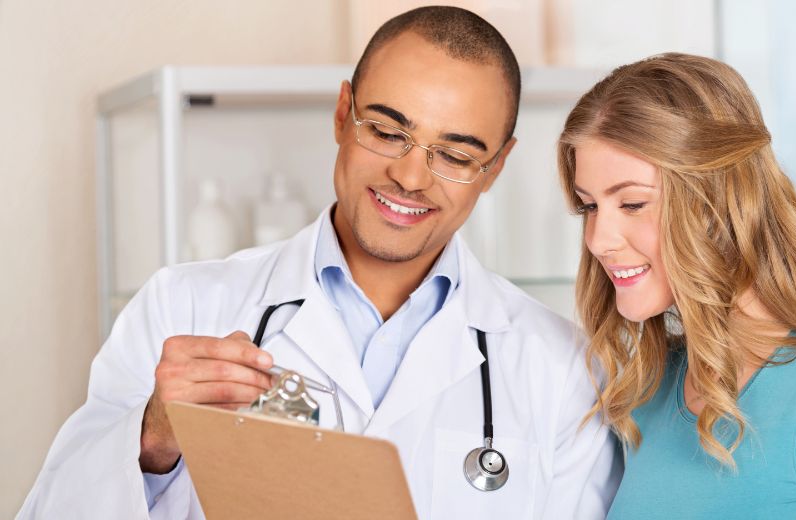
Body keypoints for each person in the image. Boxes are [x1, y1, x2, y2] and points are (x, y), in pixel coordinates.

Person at [20, 7, 621, 519]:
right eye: (387, 131)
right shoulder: (184, 306)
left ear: (495, 168)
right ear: (343, 114)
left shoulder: (563, 371)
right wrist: (151, 441)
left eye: (456, 155)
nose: (410, 177)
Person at [557, 53, 796, 519]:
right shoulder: (653, 392)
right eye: (589, 207)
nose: (599, 240)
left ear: (720, 200)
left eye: (632, 204)